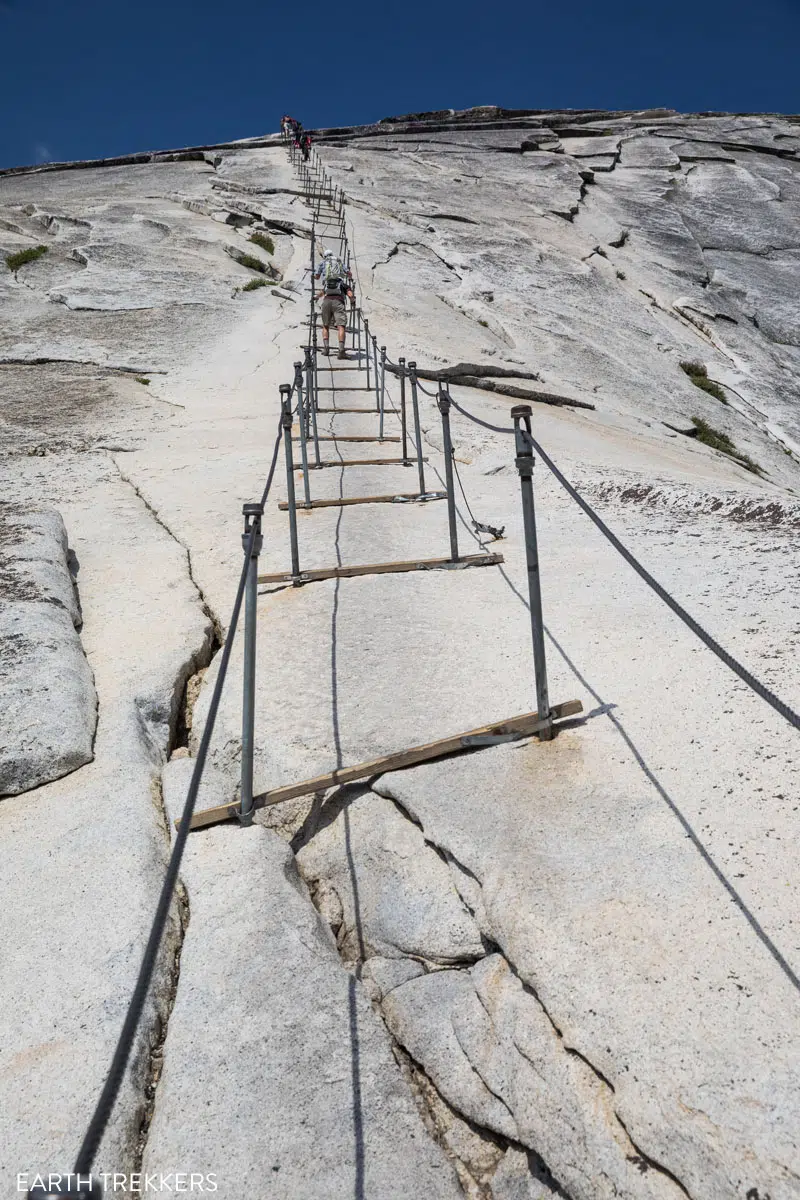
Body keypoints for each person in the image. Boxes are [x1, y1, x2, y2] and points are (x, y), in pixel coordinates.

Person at [315, 250, 354, 358]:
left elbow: (317, 277)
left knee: (325, 326)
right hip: (339, 301)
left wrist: (315, 278)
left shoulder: (323, 264)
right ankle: (341, 351)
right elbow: (348, 273)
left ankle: (326, 349)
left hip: (327, 300)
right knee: (341, 326)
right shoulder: (339, 264)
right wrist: (352, 297)